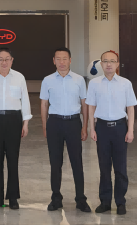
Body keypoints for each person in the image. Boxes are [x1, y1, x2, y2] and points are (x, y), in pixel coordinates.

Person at [86, 50, 137, 216]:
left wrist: (130, 130)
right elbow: (91, 106)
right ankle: (105, 202)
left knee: (120, 168)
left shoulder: (125, 83)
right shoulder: (94, 84)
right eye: (105, 61)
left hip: (120, 128)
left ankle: (120, 202)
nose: (109, 64)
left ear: (117, 64)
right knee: (104, 167)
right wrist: (92, 128)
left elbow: (130, 108)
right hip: (101, 128)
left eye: (112, 61)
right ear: (101, 64)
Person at [40, 48, 91, 213]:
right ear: (53, 61)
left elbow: (84, 104)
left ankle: (81, 199)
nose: (61, 62)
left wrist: (84, 126)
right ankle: (56, 198)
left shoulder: (79, 80)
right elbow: (44, 104)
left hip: (73, 123)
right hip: (54, 123)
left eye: (64, 59)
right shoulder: (47, 80)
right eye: (58, 59)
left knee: (77, 162)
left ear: (70, 60)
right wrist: (45, 126)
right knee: (55, 163)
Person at [0, 47, 32, 210]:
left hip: (13, 120)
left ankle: (13, 198)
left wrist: (25, 123)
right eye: (1, 59)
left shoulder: (19, 77)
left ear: (12, 60)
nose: (4, 62)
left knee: (13, 159)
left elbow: (25, 100)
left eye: (7, 59)